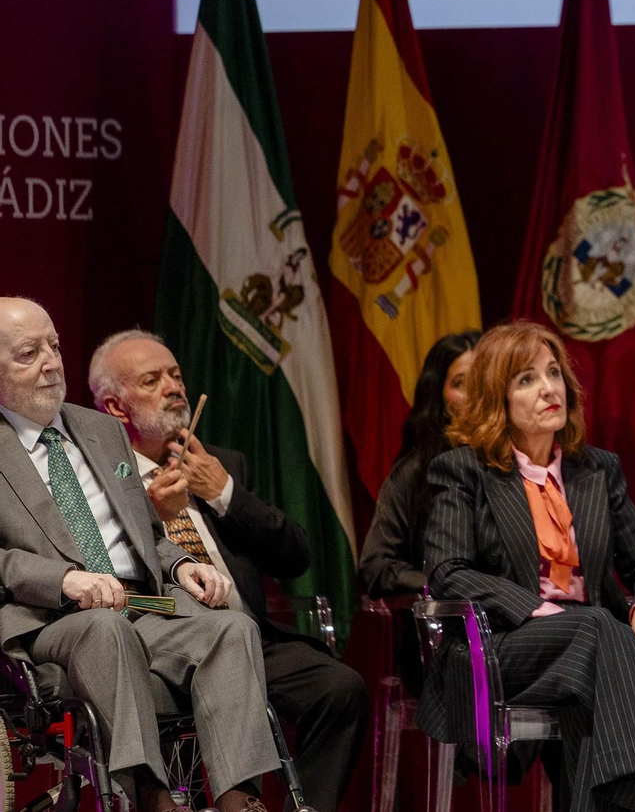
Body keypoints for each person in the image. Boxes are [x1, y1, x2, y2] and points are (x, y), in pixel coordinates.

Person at [420, 320, 635, 812]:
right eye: (526, 379)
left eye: (553, 373)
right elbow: (449, 571)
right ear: (496, 398)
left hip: (589, 655)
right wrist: (535, 610)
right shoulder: (464, 471)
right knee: (593, 627)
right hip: (501, 649)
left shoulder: (596, 469)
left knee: (591, 678)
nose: (549, 388)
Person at [0, 298, 280, 812]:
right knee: (107, 630)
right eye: (28, 353)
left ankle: (240, 799)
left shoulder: (102, 432)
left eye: (55, 347)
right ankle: (151, 797)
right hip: (57, 614)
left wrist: (182, 564)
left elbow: (147, 533)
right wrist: (63, 578)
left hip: (146, 603)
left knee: (232, 627)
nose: (51, 362)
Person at [89, 328, 368, 812]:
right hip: (164, 638)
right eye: (153, 380)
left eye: (175, 375)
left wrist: (225, 494)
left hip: (253, 638)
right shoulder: (100, 475)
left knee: (341, 689)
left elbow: (294, 557)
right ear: (116, 407)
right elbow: (112, 575)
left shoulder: (220, 462)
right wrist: (160, 514)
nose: (173, 387)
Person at [360, 329, 481, 597]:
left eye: (483, 380)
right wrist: (449, 586)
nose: (475, 394)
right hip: (449, 623)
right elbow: (375, 565)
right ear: (437, 394)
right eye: (461, 383)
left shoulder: (522, 462)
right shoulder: (415, 472)